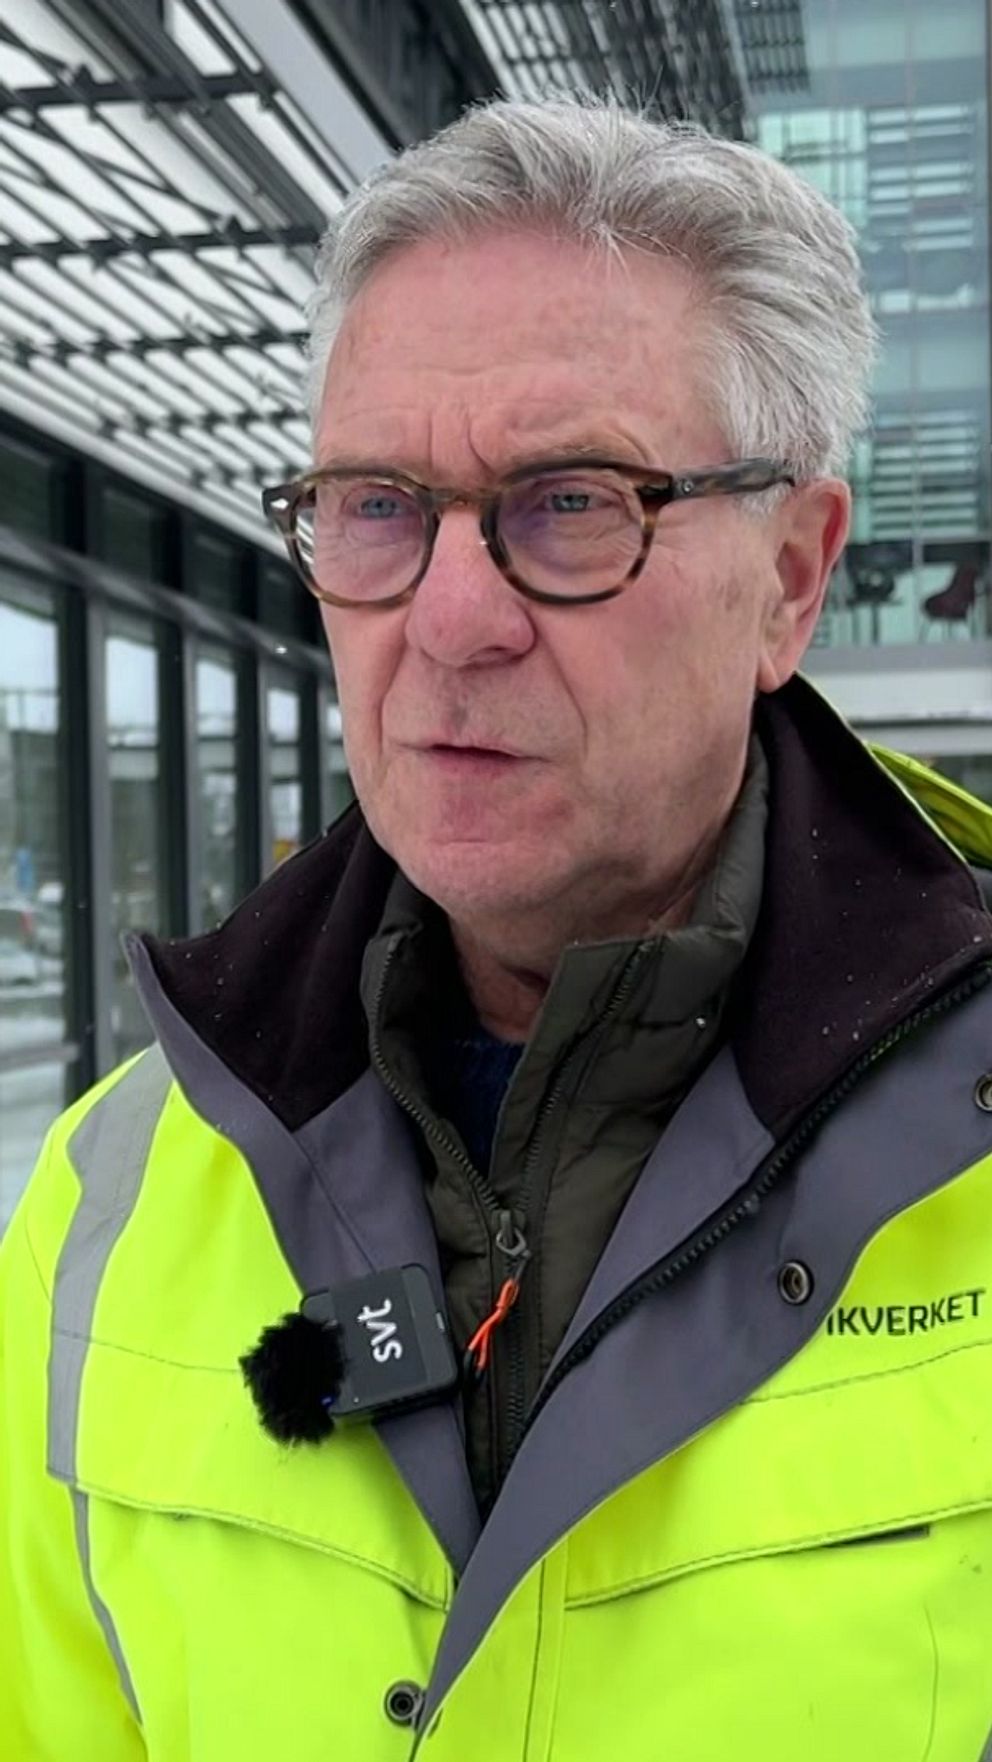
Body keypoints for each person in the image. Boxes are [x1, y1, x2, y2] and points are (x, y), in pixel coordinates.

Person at [3, 95, 992, 1762]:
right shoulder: (110, 1198)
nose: (451, 619)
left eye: (572, 501)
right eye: (377, 505)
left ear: (791, 577)